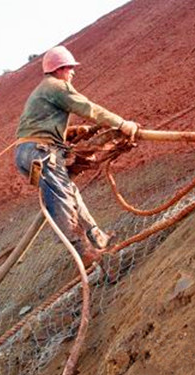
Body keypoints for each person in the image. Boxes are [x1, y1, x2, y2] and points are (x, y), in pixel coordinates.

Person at [14, 45, 139, 267]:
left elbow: (39, 127)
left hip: (27, 153)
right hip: (40, 152)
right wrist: (122, 123)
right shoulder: (56, 86)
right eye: (70, 68)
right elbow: (89, 108)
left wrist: (73, 131)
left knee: (69, 192)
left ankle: (96, 235)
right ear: (60, 68)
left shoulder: (42, 91)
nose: (73, 73)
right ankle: (86, 253)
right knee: (61, 197)